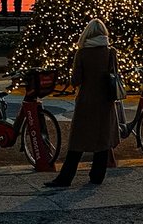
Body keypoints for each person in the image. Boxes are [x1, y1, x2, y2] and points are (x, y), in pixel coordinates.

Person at [44, 19, 120, 187]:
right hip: (106, 100)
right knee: (102, 138)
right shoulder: (111, 52)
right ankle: (97, 176)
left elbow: (76, 80)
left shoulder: (83, 53)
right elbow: (114, 75)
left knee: (78, 141)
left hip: (87, 100)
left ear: (87, 33)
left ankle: (66, 177)